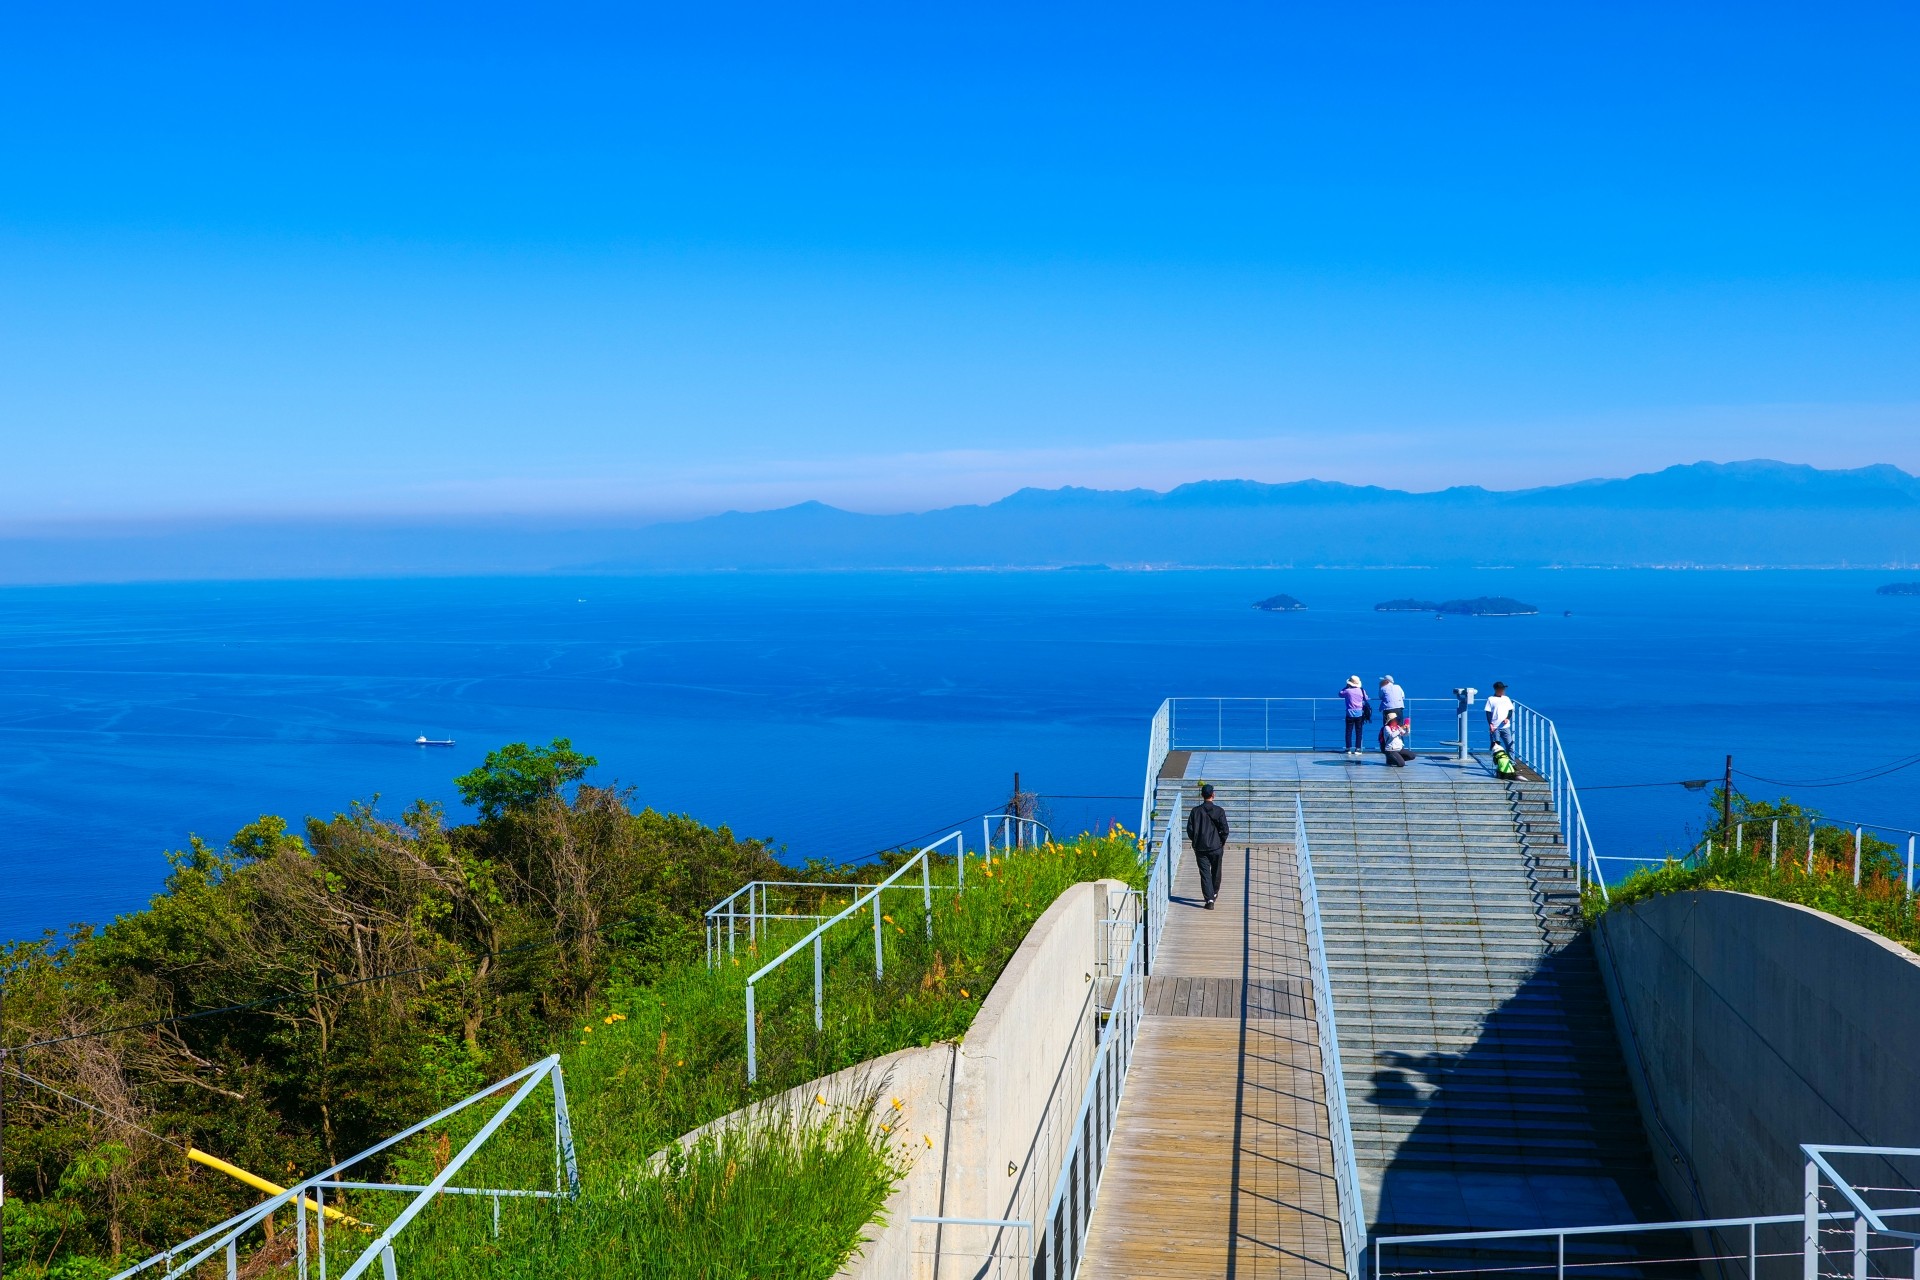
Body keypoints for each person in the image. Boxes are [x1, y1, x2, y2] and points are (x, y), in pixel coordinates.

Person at [1185, 782, 1229, 909]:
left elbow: (1190, 830)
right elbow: (1225, 830)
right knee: (1216, 871)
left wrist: (1195, 840)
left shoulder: (1195, 811)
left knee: (1204, 873)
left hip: (1200, 848)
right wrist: (1221, 842)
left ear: (1202, 795)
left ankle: (1209, 899)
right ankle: (1214, 892)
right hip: (1216, 847)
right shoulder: (1219, 811)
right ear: (1213, 795)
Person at [1340, 675, 1371, 757]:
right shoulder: (1361, 690)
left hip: (1349, 713)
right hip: (1359, 713)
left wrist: (1346, 687)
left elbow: (1340, 694)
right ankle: (1358, 749)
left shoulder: (1347, 691)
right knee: (1359, 732)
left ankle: (1348, 748)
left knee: (1348, 731)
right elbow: (1366, 698)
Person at [1485, 681, 1516, 754]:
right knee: (1496, 746)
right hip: (1495, 727)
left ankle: (1512, 763)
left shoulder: (1506, 698)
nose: (1503, 691)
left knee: (1510, 745)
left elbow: (1510, 710)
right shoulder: (1490, 699)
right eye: (1502, 689)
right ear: (1497, 690)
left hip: (1505, 726)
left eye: (1503, 689)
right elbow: (1488, 712)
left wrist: (1507, 718)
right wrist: (1490, 724)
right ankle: (1497, 762)